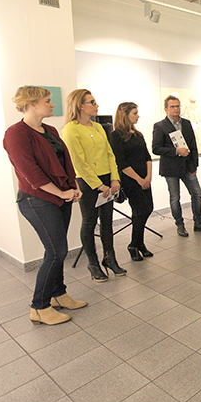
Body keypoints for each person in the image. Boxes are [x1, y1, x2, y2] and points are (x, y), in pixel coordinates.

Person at [3, 86, 85, 325]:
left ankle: (58, 294)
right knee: (56, 251)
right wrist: (60, 192)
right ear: (31, 104)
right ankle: (39, 307)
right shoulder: (15, 134)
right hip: (36, 200)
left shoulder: (50, 130)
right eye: (48, 101)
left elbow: (65, 161)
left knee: (59, 250)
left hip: (61, 197)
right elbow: (31, 173)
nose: (52, 105)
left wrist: (73, 186)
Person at [62, 89, 125, 282]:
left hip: (107, 179)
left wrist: (114, 179)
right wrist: (99, 185)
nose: (96, 105)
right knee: (89, 222)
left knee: (107, 221)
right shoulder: (70, 130)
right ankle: (93, 263)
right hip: (88, 182)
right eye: (92, 102)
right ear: (80, 106)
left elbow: (109, 154)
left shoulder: (98, 127)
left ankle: (110, 258)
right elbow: (78, 162)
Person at [152, 95, 201, 237]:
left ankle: (199, 222)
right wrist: (176, 151)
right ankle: (180, 225)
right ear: (165, 109)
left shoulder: (186, 123)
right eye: (172, 106)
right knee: (175, 198)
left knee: (197, 193)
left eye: (178, 106)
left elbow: (193, 145)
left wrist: (194, 166)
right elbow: (156, 148)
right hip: (171, 168)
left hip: (187, 166)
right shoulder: (160, 126)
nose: (176, 109)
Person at [110, 102, 155, 262]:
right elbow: (121, 163)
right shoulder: (116, 136)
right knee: (140, 211)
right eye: (134, 113)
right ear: (125, 115)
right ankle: (134, 245)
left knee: (148, 208)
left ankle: (138, 243)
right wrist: (139, 179)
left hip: (144, 178)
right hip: (131, 179)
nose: (138, 116)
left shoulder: (138, 134)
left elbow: (147, 156)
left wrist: (148, 176)